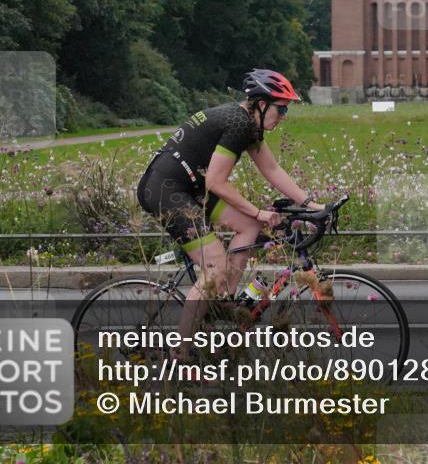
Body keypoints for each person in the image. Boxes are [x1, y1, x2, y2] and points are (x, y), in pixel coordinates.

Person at [136, 68, 323, 357]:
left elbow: (271, 169)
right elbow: (216, 182)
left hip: (190, 186)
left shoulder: (249, 124)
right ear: (261, 104)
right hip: (166, 189)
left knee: (248, 226)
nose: (284, 115)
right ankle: (180, 356)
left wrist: (311, 204)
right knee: (216, 265)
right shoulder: (237, 123)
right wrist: (260, 211)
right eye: (282, 108)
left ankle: (224, 301)